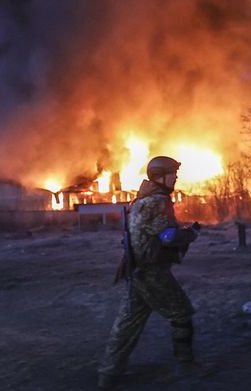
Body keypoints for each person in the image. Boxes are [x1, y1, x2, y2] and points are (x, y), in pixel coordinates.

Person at [98, 155, 201, 389]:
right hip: (152, 273)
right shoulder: (158, 201)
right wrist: (191, 234)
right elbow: (168, 236)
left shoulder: (140, 200)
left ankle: (108, 375)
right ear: (159, 176)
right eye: (172, 174)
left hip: (137, 272)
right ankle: (186, 364)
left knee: (126, 325)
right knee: (182, 312)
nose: (176, 177)